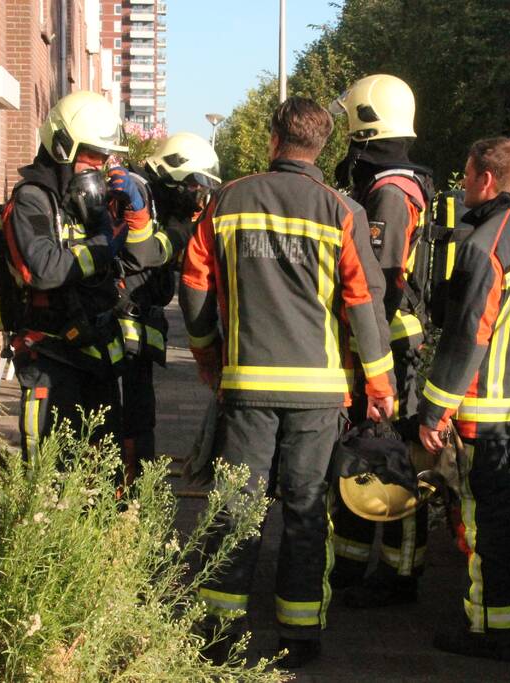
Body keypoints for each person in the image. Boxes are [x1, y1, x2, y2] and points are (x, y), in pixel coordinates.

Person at [180, 96, 396, 669]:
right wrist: (380, 384)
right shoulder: (339, 211)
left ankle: (221, 630)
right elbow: (361, 303)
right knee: (304, 510)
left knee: (235, 507)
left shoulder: (227, 200)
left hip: (247, 385)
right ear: (321, 148)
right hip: (319, 394)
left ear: (274, 140)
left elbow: (194, 285)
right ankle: (299, 637)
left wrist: (207, 354)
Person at [417, 137, 510, 662]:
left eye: (468, 173)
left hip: (486, 415)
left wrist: (434, 410)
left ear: (487, 179)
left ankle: (489, 631)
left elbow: (466, 338)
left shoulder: (485, 246)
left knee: (487, 526)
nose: (463, 182)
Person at [9, 90, 170, 459]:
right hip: (51, 359)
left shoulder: (87, 200)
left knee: (105, 472)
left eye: (104, 156)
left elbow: (135, 260)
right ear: (63, 145)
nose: (99, 164)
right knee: (52, 477)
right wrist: (102, 245)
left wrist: (136, 214)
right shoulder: (33, 198)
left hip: (97, 355)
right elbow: (45, 269)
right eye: (92, 154)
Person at [328, 73, 435, 607]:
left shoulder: (391, 194)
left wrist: (372, 358)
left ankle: (400, 575)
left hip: (392, 348)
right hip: (382, 345)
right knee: (365, 454)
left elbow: (383, 282)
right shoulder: (391, 183)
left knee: (394, 463)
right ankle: (348, 564)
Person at [117, 133, 221, 484]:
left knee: (141, 420)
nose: (197, 198)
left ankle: (133, 501)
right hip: (119, 331)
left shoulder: (155, 197)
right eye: (195, 188)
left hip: (137, 327)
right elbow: (143, 253)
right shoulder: (136, 191)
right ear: (175, 176)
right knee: (131, 423)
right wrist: (180, 234)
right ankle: (125, 506)